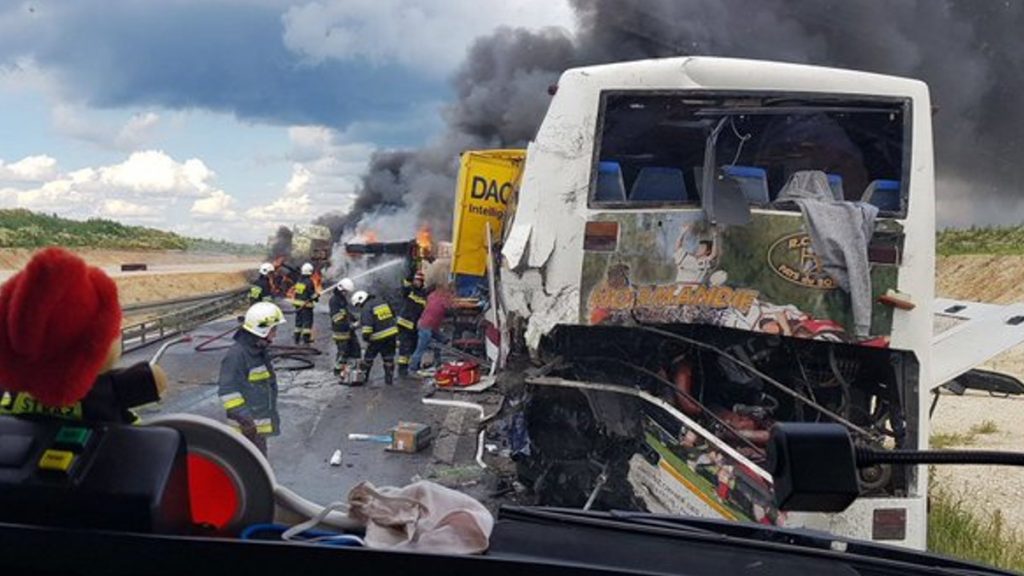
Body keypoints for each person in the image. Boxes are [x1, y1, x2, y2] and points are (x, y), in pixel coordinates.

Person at [217, 301, 286, 456]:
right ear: (262, 330)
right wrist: (246, 420)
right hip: (244, 432)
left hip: (255, 432)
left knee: (258, 466)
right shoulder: (237, 355)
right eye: (273, 329)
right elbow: (228, 392)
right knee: (246, 467)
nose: (275, 334)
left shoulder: (258, 351)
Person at [352, 290, 399, 386]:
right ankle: (389, 381)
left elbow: (367, 327)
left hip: (378, 337)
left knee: (368, 359)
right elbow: (392, 314)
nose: (359, 307)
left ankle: (363, 379)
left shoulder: (366, 308)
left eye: (358, 305)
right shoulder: (381, 301)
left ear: (361, 300)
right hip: (391, 334)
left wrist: (365, 338)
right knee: (388, 358)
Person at [410, 281, 453, 374]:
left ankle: (437, 362)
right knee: (421, 348)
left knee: (443, 340)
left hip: (427, 325)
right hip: (426, 327)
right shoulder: (443, 299)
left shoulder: (432, 296)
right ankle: (412, 369)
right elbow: (451, 306)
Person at [396, 271, 427, 377]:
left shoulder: (423, 294)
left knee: (414, 347)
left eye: (420, 281)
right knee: (405, 347)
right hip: (405, 324)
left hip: (414, 325)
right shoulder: (409, 290)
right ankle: (402, 370)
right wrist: (411, 274)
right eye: (416, 280)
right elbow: (405, 284)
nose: (418, 282)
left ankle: (414, 367)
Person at [329, 278, 361, 376]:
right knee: (343, 351)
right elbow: (337, 317)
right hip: (340, 331)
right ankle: (338, 370)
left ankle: (352, 369)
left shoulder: (341, 299)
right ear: (340, 289)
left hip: (348, 330)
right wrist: (350, 325)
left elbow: (345, 312)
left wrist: (354, 318)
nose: (346, 294)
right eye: (345, 292)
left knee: (355, 349)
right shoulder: (334, 300)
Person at [290, 262, 318, 345]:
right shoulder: (309, 282)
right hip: (306, 306)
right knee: (307, 323)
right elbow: (312, 295)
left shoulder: (299, 281)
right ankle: (306, 339)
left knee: (298, 322)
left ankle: (297, 338)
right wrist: (316, 297)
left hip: (298, 306)